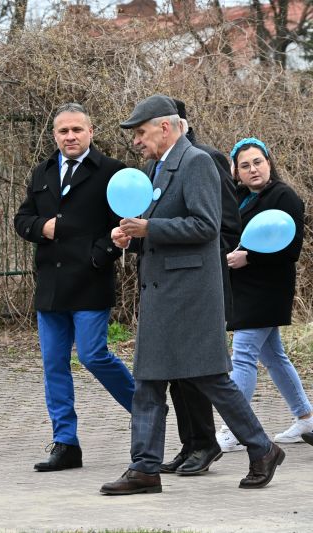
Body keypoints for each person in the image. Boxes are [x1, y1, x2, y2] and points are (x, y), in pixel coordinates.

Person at [101, 94, 283, 495]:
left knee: (210, 378)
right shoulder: (155, 167)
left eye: (141, 132)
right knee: (148, 381)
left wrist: (149, 229)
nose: (136, 141)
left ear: (165, 127)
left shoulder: (196, 162)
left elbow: (206, 226)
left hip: (191, 294)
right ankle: (144, 468)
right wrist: (131, 236)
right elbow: (157, 226)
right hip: (162, 292)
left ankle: (262, 448)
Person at [13, 102, 134, 472]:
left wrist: (100, 256)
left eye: (77, 130)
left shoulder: (112, 172)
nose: (70, 136)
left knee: (93, 356)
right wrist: (41, 228)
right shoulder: (43, 171)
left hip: (90, 282)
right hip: (50, 286)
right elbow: (22, 218)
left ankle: (146, 411)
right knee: (54, 365)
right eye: (63, 131)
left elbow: (124, 225)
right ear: (54, 135)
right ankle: (65, 443)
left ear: (90, 132)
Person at [160, 98, 242, 476]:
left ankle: (209, 443)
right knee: (177, 373)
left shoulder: (205, 159)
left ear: (176, 124)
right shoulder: (160, 165)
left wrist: (195, 258)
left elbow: (227, 226)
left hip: (202, 282)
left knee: (198, 371)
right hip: (171, 283)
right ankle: (191, 443)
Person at [214, 137, 312, 450]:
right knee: (273, 356)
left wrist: (250, 258)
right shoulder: (239, 197)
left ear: (269, 162)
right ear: (236, 172)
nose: (253, 169)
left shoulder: (284, 196)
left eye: (258, 162)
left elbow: (291, 249)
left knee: (243, 355)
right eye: (245, 165)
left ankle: (236, 429)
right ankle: (307, 418)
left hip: (268, 290)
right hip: (243, 288)